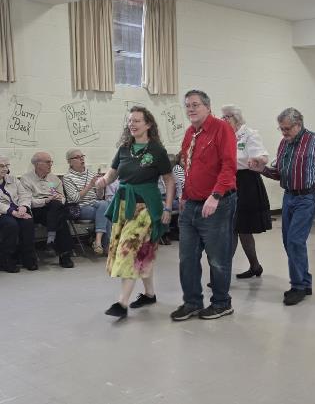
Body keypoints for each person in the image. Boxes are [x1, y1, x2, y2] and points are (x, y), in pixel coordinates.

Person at [250, 108, 315, 306]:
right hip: (288, 197)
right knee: (289, 242)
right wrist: (261, 169)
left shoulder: (314, 141)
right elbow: (279, 173)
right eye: (281, 129)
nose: (284, 133)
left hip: (307, 198)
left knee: (295, 241)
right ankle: (304, 282)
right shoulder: (284, 144)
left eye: (287, 129)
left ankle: (298, 287)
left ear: (299, 124)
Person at [95, 106, 175, 318]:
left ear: (148, 124)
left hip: (146, 208)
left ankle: (121, 303)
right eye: (130, 121)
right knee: (143, 251)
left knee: (127, 251)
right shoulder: (124, 148)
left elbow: (169, 180)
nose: (132, 124)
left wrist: (168, 207)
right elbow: (112, 175)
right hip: (124, 206)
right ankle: (149, 294)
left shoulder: (157, 150)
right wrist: (102, 181)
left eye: (137, 120)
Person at [171, 90, 237, 321]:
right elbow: (188, 167)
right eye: (187, 105)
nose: (190, 109)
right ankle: (192, 302)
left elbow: (229, 166)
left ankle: (221, 303)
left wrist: (216, 196)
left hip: (217, 203)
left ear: (208, 107)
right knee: (187, 257)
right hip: (191, 204)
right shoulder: (190, 133)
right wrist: (185, 195)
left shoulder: (222, 129)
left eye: (195, 104)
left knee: (217, 258)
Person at [221, 104, 272, 278]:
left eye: (226, 116)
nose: (223, 120)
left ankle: (223, 274)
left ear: (235, 117)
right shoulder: (225, 135)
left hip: (246, 182)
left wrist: (257, 160)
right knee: (239, 229)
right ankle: (255, 266)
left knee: (237, 228)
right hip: (229, 181)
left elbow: (263, 157)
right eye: (222, 117)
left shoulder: (250, 134)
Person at [20, 152, 75, 268]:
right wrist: (46, 201)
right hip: (38, 209)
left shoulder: (53, 179)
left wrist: (60, 198)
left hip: (54, 209)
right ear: (37, 164)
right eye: (48, 162)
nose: (51, 164)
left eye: (51, 162)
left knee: (56, 206)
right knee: (61, 218)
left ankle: (51, 237)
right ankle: (65, 255)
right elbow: (28, 202)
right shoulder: (26, 179)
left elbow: (63, 198)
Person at [63, 149, 110, 254]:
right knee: (107, 211)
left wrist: (100, 186)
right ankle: (104, 244)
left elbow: (99, 196)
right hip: (80, 208)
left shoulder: (91, 174)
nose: (81, 159)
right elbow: (75, 199)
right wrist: (90, 185)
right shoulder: (67, 177)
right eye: (77, 157)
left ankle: (99, 242)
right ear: (70, 161)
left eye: (82, 156)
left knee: (106, 206)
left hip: (95, 204)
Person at [0, 155, 36, 272]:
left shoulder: (13, 179)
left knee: (28, 222)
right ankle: (7, 260)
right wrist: (12, 212)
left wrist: (23, 207)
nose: (4, 169)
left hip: (18, 211)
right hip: (3, 213)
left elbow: (24, 194)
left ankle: (27, 258)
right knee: (11, 225)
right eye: (1, 166)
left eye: (6, 166)